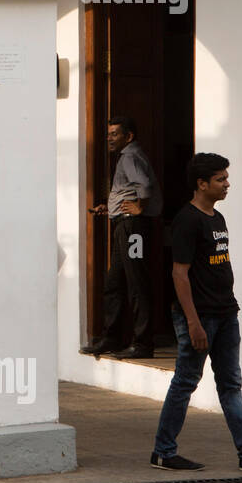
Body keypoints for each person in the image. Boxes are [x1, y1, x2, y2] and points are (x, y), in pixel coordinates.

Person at [149, 153, 242, 474]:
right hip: (201, 318)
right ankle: (163, 451)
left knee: (230, 385)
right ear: (201, 184)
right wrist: (193, 323)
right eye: (220, 180)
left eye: (226, 178)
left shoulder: (217, 218)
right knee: (186, 382)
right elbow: (179, 274)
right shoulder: (187, 220)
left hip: (226, 314)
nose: (227, 185)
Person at [83, 115, 162, 358]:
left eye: (115, 133)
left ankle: (143, 343)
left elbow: (145, 185)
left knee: (136, 280)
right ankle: (112, 338)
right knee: (114, 283)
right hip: (124, 225)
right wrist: (113, 208)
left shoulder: (130, 156)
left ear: (128, 136)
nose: (109, 137)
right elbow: (131, 189)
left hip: (133, 227)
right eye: (108, 134)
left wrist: (139, 207)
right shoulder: (127, 157)